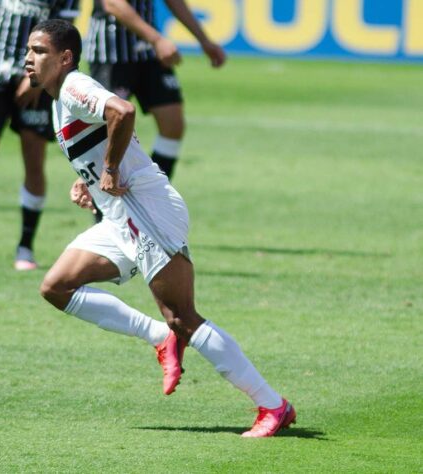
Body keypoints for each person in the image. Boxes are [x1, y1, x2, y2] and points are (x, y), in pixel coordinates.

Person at [25, 19, 295, 437]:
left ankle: (272, 406)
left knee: (183, 316)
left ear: (64, 58)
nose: (29, 59)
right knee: (56, 286)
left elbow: (123, 112)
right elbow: (99, 140)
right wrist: (89, 179)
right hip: (120, 216)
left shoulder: (75, 87)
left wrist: (110, 170)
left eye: (39, 51)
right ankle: (160, 337)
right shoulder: (60, 97)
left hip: (146, 210)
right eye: (29, 50)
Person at [0, 0, 79, 270]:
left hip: (36, 78)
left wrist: (38, 78)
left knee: (33, 156)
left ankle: (25, 246)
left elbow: (64, 32)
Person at [84, 0, 226, 179]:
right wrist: (157, 39)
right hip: (111, 55)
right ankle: (101, 201)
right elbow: (112, 4)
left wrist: (204, 40)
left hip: (148, 52)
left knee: (173, 125)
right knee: (105, 135)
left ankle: (153, 188)